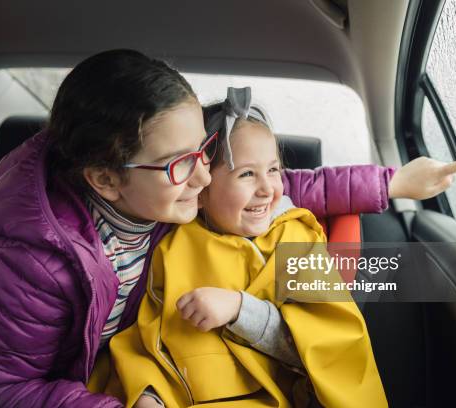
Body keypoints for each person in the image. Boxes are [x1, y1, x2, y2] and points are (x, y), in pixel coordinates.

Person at [0, 50, 456, 407]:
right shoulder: (29, 269)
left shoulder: (174, 198)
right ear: (105, 180)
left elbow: (290, 188)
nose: (207, 176)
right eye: (180, 163)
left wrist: (395, 183)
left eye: (207, 152)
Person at [90, 88, 388, 408]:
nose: (266, 188)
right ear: (201, 186)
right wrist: (148, 393)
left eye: (273, 170)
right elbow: (148, 338)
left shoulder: (295, 241)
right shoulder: (175, 242)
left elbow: (327, 346)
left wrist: (238, 309)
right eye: (246, 174)